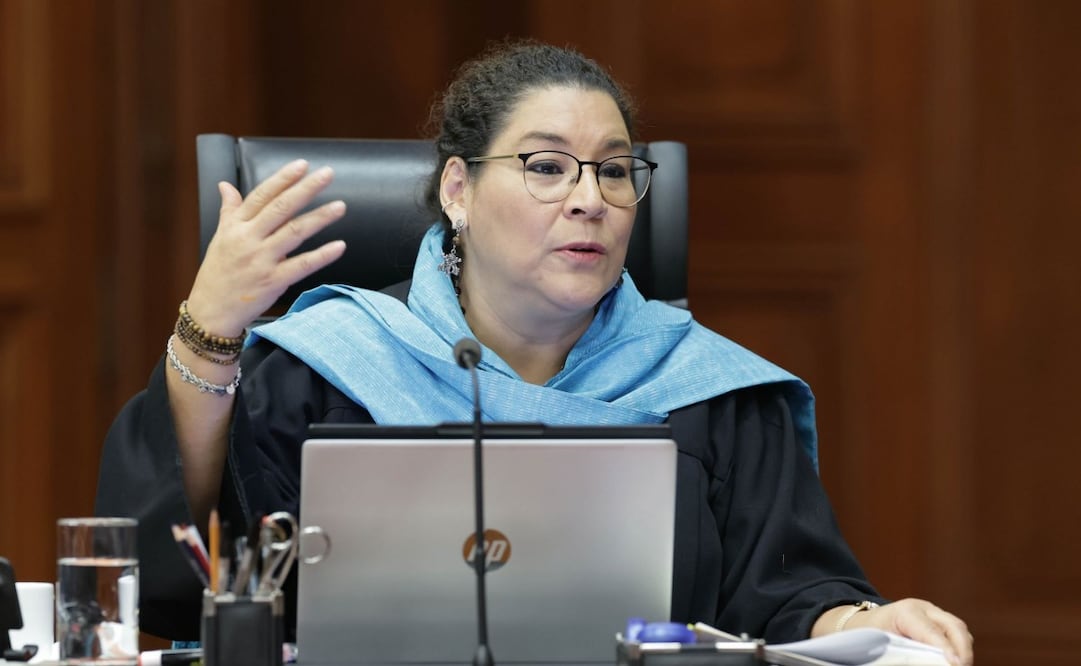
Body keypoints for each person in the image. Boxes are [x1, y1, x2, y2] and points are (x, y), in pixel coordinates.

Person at [96, 40, 973, 665]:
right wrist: (209, 331)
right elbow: (182, 576)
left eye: (615, 170)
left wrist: (867, 620)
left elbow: (787, 597)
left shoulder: (711, 390)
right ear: (458, 190)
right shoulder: (328, 365)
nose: (589, 199)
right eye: (547, 166)